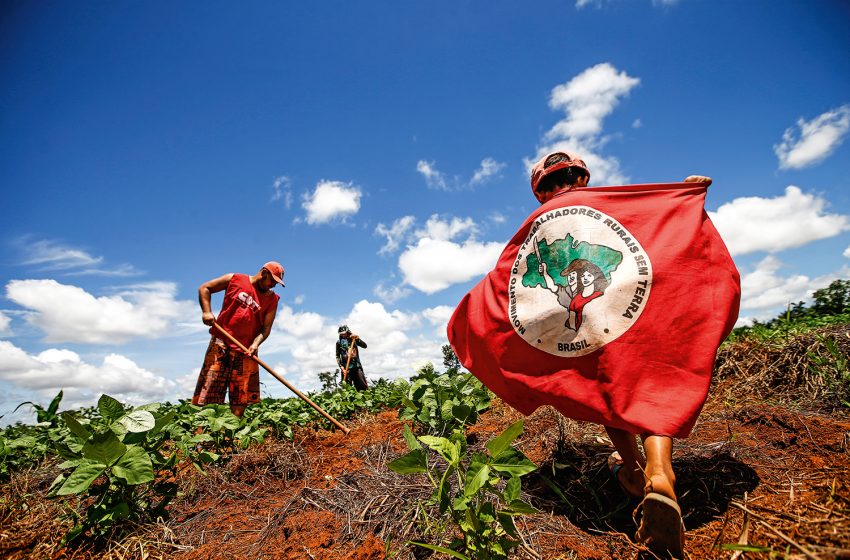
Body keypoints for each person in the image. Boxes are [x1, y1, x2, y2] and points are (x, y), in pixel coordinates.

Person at [531, 151, 713, 558]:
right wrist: (682, 200)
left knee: (606, 389)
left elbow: (519, 285)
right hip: (629, 308)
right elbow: (657, 234)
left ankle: (631, 471)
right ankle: (661, 473)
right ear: (580, 179)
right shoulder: (611, 208)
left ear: (540, 191)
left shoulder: (540, 229)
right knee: (647, 382)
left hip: (586, 323)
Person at [192, 261, 284, 418]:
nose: (273, 285)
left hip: (246, 351)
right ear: (264, 273)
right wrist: (206, 312)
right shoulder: (234, 279)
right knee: (209, 394)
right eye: (272, 281)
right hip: (221, 343)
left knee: (240, 400)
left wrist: (255, 344)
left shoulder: (272, 300)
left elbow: (266, 329)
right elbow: (205, 288)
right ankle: (203, 440)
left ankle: (231, 438)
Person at [335, 325, 368, 391]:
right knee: (346, 389)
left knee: (362, 387)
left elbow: (365, 346)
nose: (343, 335)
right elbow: (337, 356)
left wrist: (357, 339)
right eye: (341, 334)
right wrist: (342, 367)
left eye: (344, 333)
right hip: (346, 368)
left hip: (356, 366)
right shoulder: (339, 342)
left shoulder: (354, 339)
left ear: (348, 331)